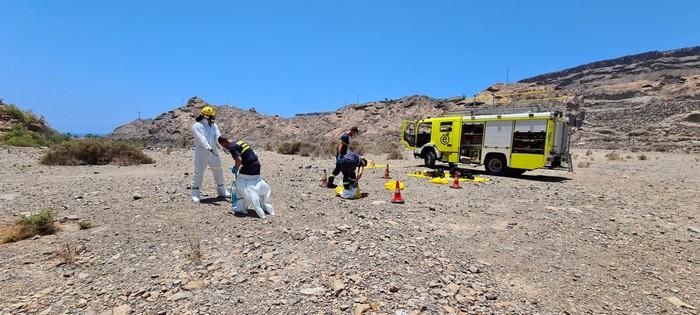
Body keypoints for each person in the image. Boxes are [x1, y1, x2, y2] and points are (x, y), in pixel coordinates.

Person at [218, 137, 274, 219]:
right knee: (255, 183)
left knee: (240, 185)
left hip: (249, 166)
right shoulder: (238, 142)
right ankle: (264, 205)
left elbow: (239, 159)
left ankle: (240, 208)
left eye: (222, 145)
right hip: (257, 164)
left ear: (224, 142)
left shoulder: (232, 147)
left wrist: (236, 168)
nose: (223, 147)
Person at [190, 106, 230, 203]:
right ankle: (195, 193)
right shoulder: (197, 126)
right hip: (202, 152)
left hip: (213, 152)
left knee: (218, 170)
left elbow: (218, 137)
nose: (213, 118)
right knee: (199, 172)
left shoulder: (214, 126)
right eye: (211, 116)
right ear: (205, 117)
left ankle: (222, 191)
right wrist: (208, 147)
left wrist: (223, 146)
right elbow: (201, 138)